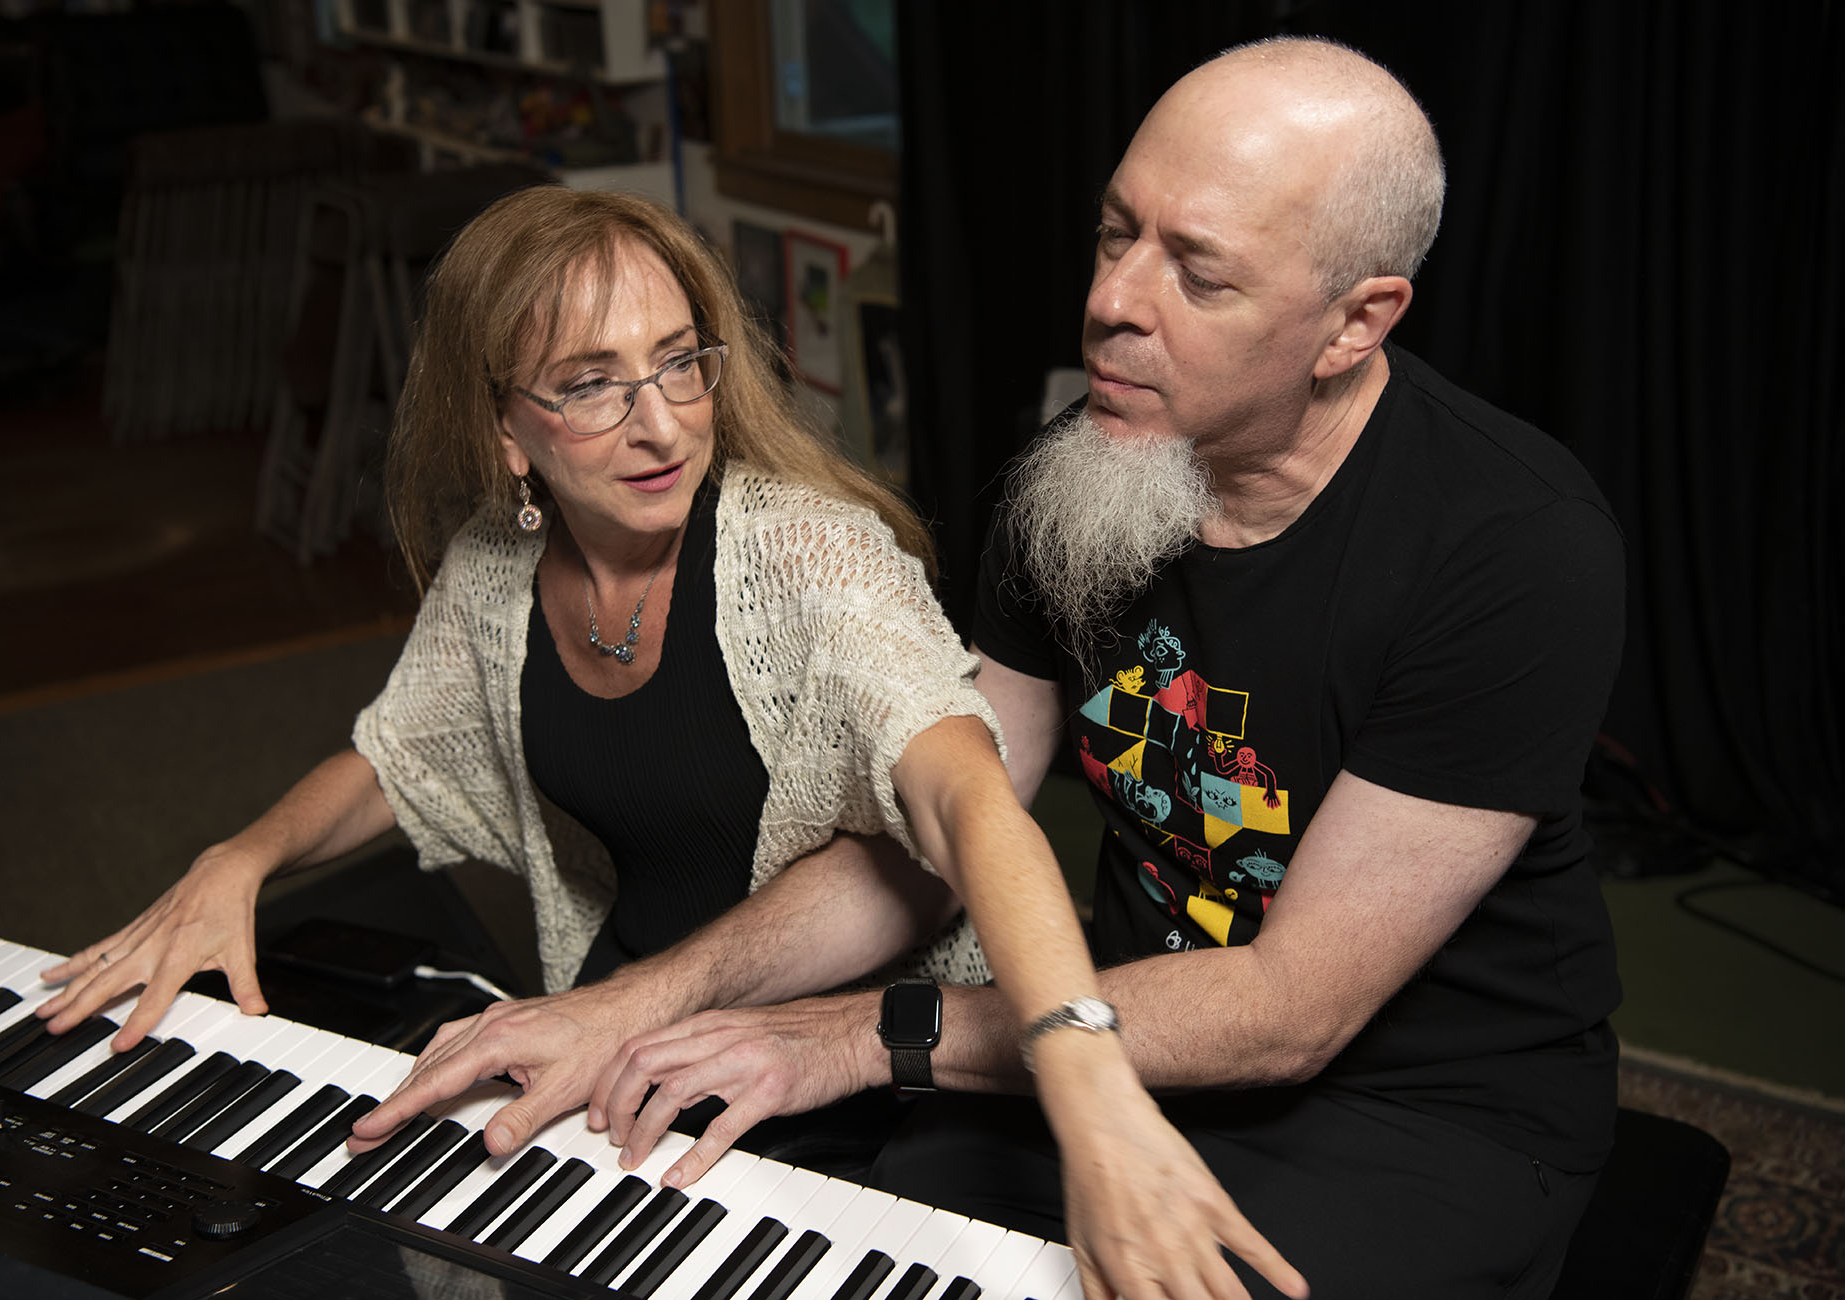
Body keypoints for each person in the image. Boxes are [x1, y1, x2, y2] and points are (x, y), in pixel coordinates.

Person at [33, 185, 1297, 1300]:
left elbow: (973, 800)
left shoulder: (808, 557)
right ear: (503, 432)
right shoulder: (493, 571)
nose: (661, 426)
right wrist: (242, 855)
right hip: (620, 1037)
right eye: (590, 383)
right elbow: (396, 756)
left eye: (679, 362)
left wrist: (1084, 1077)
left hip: (844, 1069)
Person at [591, 36, 1627, 1300]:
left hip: (1422, 1111)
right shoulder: (1084, 468)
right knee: (803, 1231)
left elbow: (1295, 1006)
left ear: (1355, 321)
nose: (1114, 303)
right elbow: (950, 825)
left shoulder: (1514, 545)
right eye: (1115, 234)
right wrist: (649, 999)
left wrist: (869, 1035)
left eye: (1197, 273)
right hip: (1114, 1032)